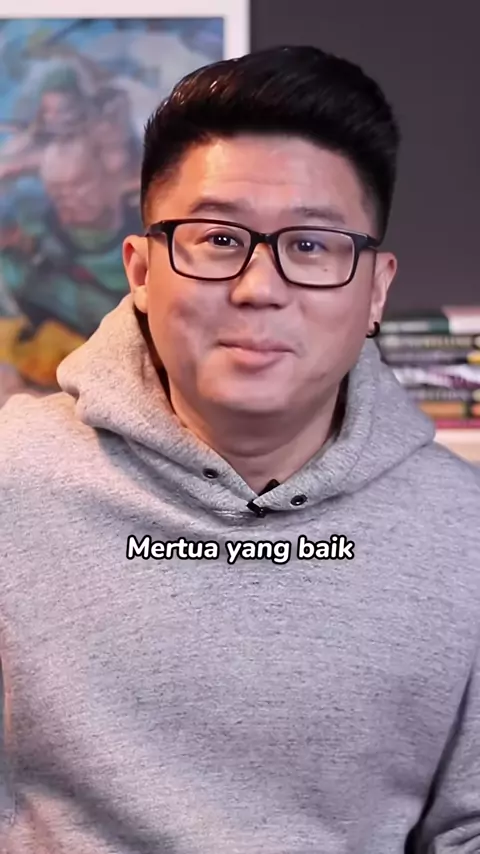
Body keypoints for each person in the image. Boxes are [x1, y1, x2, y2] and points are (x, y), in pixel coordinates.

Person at [0, 45, 479, 854]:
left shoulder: (463, 531)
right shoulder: (13, 482)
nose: (260, 287)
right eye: (219, 239)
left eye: (313, 245)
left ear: (377, 288)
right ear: (141, 270)